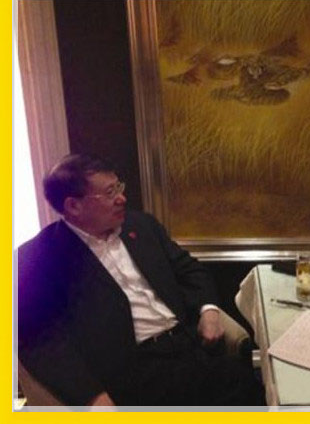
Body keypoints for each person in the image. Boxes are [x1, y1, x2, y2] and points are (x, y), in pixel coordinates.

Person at [18, 154, 264, 406]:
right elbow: (39, 341)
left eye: (119, 187)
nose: (122, 198)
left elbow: (189, 269)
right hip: (134, 370)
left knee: (252, 390)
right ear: (73, 206)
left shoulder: (141, 225)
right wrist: (91, 395)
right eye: (110, 192)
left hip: (189, 345)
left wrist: (209, 311)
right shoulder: (40, 258)